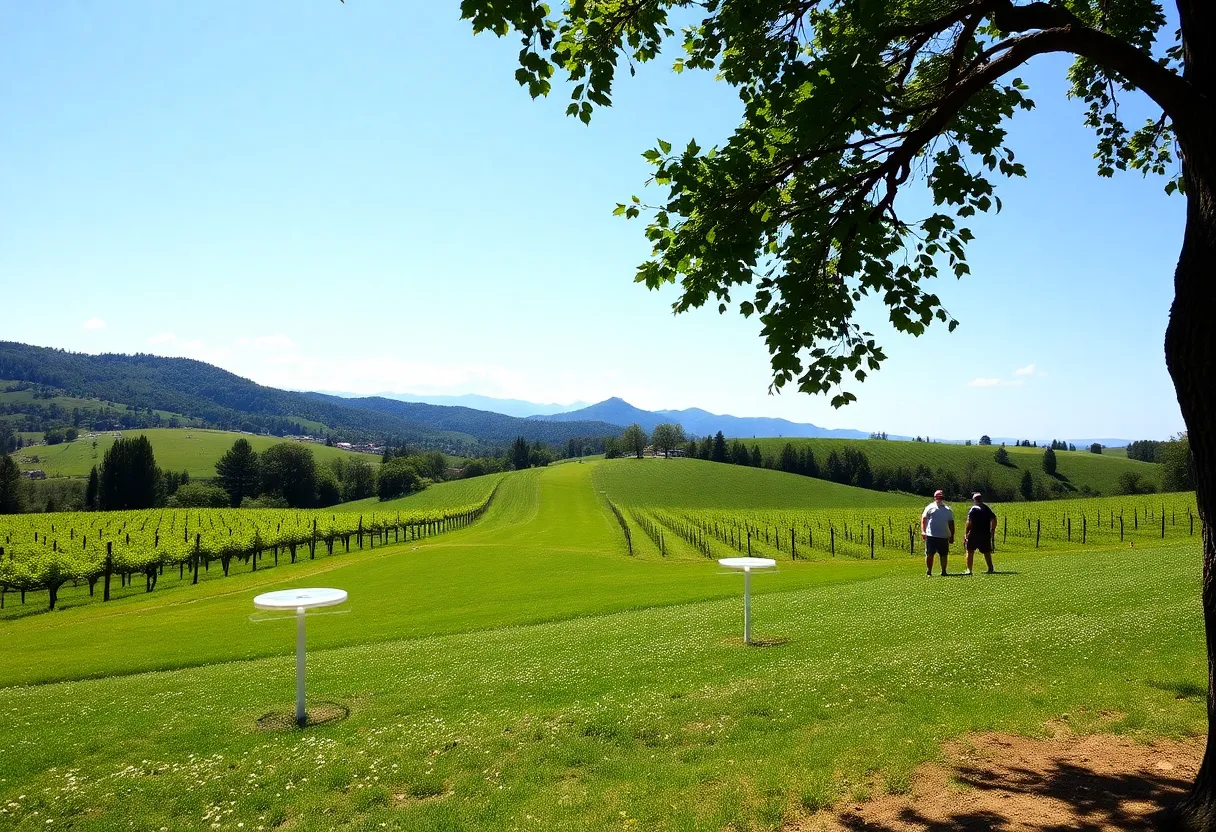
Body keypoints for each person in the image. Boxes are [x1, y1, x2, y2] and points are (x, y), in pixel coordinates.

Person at [921, 489, 955, 576]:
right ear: (934, 497)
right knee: (930, 554)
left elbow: (951, 523)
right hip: (931, 535)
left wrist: (952, 536)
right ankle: (929, 571)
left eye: (941, 497)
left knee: (944, 555)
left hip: (943, 536)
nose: (939, 499)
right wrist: (923, 531)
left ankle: (944, 571)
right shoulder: (929, 507)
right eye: (938, 497)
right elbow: (924, 520)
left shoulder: (948, 510)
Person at [964, 492, 999, 575]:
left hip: (974, 533)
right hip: (985, 533)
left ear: (974, 500)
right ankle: (990, 568)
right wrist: (992, 530)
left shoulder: (973, 509)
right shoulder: (986, 508)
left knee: (970, 551)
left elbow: (969, 522)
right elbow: (994, 519)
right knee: (987, 552)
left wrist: (966, 533)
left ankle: (969, 570)